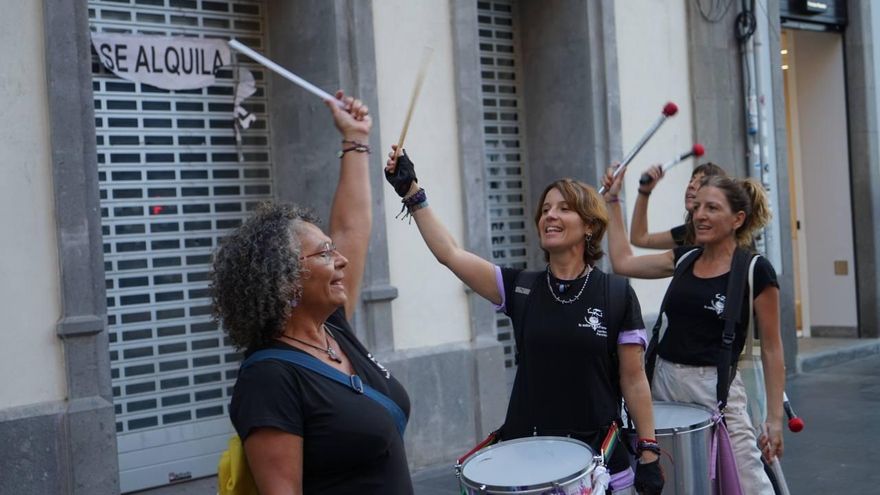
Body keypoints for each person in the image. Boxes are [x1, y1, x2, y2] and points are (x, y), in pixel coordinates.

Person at [384, 146, 664, 495]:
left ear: (590, 225)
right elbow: (450, 254)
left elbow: (633, 379)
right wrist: (412, 192)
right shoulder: (521, 288)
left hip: (597, 464)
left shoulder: (616, 294)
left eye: (564, 208)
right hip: (527, 461)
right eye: (545, 209)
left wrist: (648, 449)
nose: (550, 216)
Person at [211, 92, 414, 494]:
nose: (341, 260)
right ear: (284, 278)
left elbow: (353, 229)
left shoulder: (332, 331)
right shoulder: (269, 379)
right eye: (324, 253)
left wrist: (355, 139)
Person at [603, 167, 785, 494]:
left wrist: (774, 418)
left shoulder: (755, 269)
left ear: (737, 219)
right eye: (697, 206)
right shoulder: (684, 258)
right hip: (663, 381)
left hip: (715, 389)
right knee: (675, 481)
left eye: (712, 208)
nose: (700, 215)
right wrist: (614, 200)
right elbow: (623, 262)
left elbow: (772, 349)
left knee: (747, 483)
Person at [630, 162, 726, 249]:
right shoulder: (686, 232)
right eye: (691, 180)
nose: (691, 185)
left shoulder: (726, 240)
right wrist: (644, 191)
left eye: (701, 182)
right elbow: (639, 239)